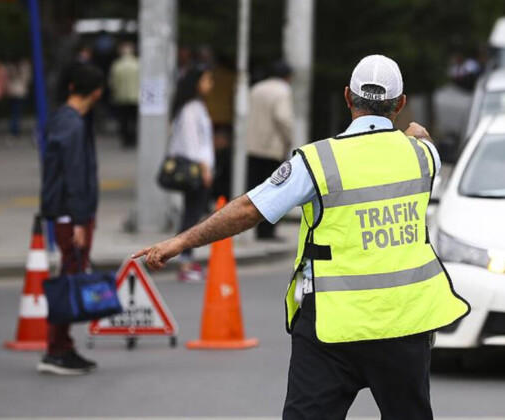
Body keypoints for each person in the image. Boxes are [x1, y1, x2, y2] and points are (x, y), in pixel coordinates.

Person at [133, 54, 470, 419]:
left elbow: (249, 209)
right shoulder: (423, 156)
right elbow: (419, 138)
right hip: (405, 325)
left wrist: (181, 242)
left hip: (331, 327)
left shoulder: (317, 161)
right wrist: (415, 134)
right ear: (401, 103)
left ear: (347, 97)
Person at [38, 64, 104, 375]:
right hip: (71, 215)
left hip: (66, 213)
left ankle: (62, 346)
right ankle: (56, 349)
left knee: (70, 274)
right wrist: (80, 220)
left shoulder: (62, 119)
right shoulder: (73, 125)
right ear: (96, 92)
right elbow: (75, 176)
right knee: (69, 278)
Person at [167, 66, 215, 283]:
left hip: (200, 168)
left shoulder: (196, 106)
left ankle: (187, 258)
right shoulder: (190, 109)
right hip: (195, 169)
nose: (210, 85)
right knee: (191, 215)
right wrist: (204, 169)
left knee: (193, 213)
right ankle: (185, 261)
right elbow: (192, 144)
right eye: (206, 80)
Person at [245, 60, 294, 240]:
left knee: (256, 190)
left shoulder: (256, 88)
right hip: (272, 148)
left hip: (252, 146)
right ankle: (268, 232)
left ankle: (257, 229)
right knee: (274, 191)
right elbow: (283, 117)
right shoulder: (283, 90)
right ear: (288, 76)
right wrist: (288, 139)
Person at [108, 42, 139, 148]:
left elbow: (113, 82)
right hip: (136, 96)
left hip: (121, 97)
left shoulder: (117, 65)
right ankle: (133, 139)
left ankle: (126, 139)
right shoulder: (138, 64)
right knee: (134, 120)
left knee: (124, 120)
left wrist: (114, 93)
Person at [6, 57, 31, 139]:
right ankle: (15, 130)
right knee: (17, 112)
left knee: (14, 112)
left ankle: (14, 130)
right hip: (20, 91)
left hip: (12, 91)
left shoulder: (10, 67)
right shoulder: (24, 67)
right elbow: (27, 79)